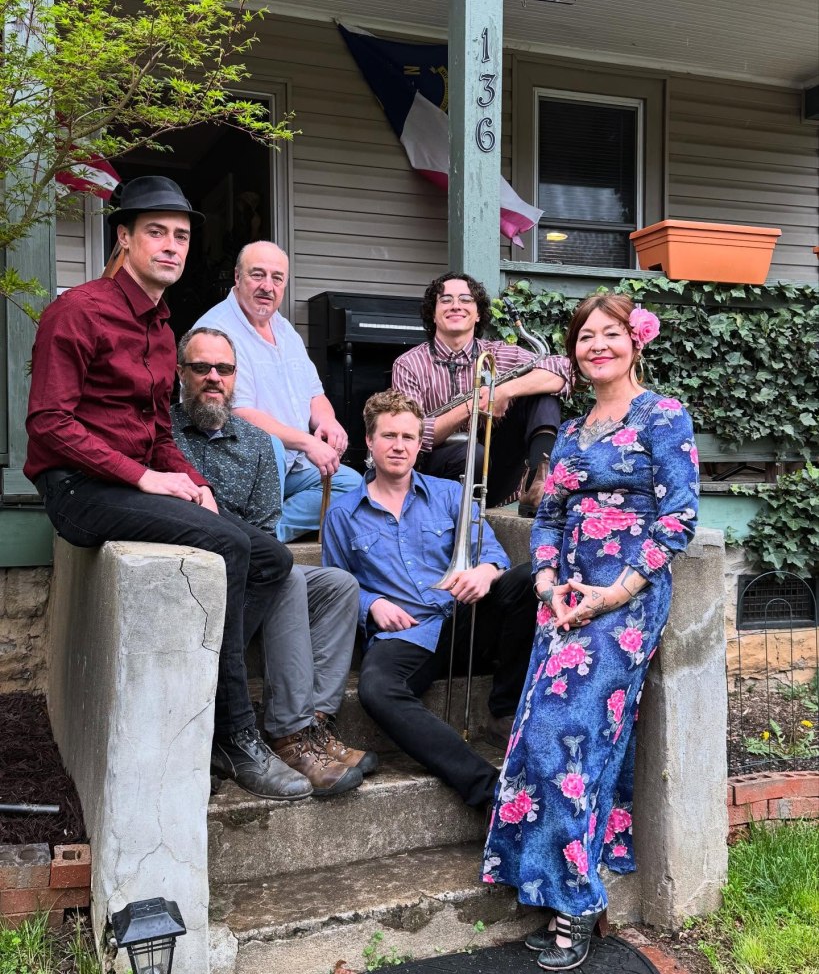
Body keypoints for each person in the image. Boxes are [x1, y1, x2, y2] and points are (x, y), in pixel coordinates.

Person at [24, 176, 308, 803]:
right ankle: (233, 734)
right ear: (123, 238)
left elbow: (155, 432)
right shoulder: (78, 312)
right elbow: (49, 424)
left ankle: (200, 682)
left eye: (181, 235)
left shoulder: (160, 327)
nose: (172, 245)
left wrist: (194, 482)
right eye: (157, 232)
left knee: (271, 557)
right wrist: (145, 477)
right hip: (78, 490)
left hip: (133, 486)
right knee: (231, 546)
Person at [482, 294, 699, 971]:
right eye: (584, 337)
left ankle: (576, 902)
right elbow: (547, 517)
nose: (596, 345)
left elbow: (679, 516)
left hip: (625, 601)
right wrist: (547, 584)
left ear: (635, 342)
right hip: (566, 599)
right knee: (540, 735)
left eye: (610, 333)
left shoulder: (662, 415)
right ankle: (553, 883)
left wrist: (617, 591)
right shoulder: (572, 432)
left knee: (568, 737)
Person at [172, 326, 377, 796]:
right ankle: (288, 733)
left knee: (339, 585)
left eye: (224, 368)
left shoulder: (259, 442)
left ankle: (315, 723)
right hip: (198, 573)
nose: (213, 377)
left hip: (253, 571)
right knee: (287, 577)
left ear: (235, 377)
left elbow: (266, 531)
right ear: (181, 373)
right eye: (201, 367)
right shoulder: (165, 435)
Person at [322, 389, 539, 809]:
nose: (399, 446)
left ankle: (504, 710)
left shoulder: (449, 494)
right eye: (389, 436)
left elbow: (493, 554)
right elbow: (336, 587)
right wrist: (370, 604)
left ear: (419, 443)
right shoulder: (342, 514)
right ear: (369, 441)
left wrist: (484, 571)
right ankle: (488, 792)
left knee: (529, 577)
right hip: (405, 635)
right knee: (376, 690)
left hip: (463, 621)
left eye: (408, 436)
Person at [194, 241, 360, 542]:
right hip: (242, 465)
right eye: (257, 275)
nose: (267, 286)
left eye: (277, 278)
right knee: (269, 445)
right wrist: (308, 442)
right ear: (237, 277)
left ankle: (266, 533)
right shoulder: (216, 332)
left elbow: (314, 393)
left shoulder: (284, 330)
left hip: (292, 465)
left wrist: (327, 422)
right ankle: (259, 533)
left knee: (351, 486)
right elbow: (238, 414)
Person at [391, 272, 572, 516]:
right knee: (472, 453)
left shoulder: (499, 353)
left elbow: (565, 369)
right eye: (446, 300)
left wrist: (505, 390)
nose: (456, 305)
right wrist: (473, 405)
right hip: (434, 475)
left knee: (541, 393)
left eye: (466, 299)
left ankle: (539, 483)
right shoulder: (408, 364)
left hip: (494, 472)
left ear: (478, 314)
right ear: (433, 313)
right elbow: (411, 435)